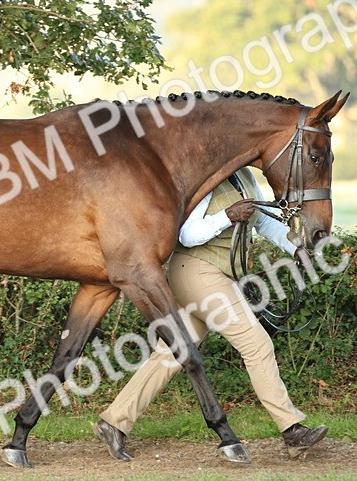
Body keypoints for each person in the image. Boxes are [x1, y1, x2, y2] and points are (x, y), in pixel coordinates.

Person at [95, 167, 327, 460]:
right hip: (197, 271)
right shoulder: (204, 179)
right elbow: (186, 234)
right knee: (256, 344)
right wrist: (227, 217)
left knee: (171, 355)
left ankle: (113, 422)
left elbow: (265, 225)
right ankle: (292, 430)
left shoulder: (245, 177)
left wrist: (295, 248)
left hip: (216, 275)